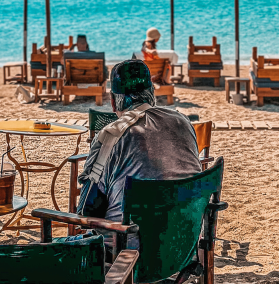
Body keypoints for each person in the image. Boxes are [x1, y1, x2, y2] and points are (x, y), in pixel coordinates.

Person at [77, 60, 202, 222]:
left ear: (113, 102)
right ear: (152, 94)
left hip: (126, 237)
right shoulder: (182, 122)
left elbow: (86, 212)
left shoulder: (112, 134)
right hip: (187, 233)